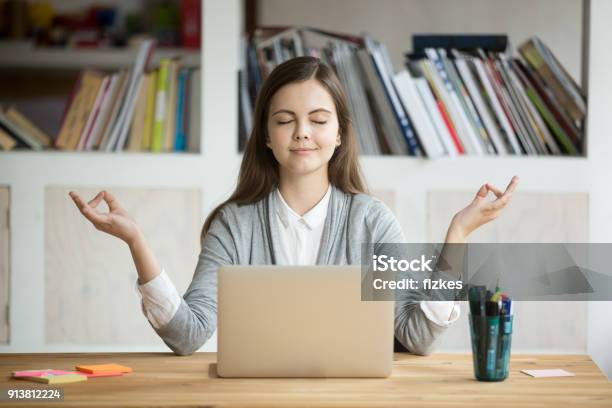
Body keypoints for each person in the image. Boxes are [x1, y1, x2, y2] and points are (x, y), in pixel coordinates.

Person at [69, 56, 518, 356]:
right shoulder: (234, 225)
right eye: (285, 121)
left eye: (318, 121)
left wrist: (457, 235)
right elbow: (188, 336)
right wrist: (135, 240)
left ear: (339, 133)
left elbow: (416, 338)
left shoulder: (372, 222)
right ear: (267, 136)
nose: (302, 133)